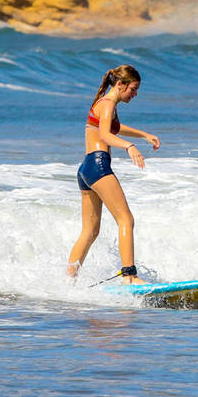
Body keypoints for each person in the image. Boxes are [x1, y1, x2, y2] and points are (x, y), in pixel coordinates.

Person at [67, 64, 160, 284]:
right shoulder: (108, 104)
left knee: (90, 231)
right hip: (98, 166)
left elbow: (113, 128)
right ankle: (130, 276)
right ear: (120, 84)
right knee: (126, 219)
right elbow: (106, 135)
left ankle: (68, 281)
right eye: (133, 89)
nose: (135, 94)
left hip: (86, 169)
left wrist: (143, 134)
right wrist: (130, 146)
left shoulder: (104, 104)